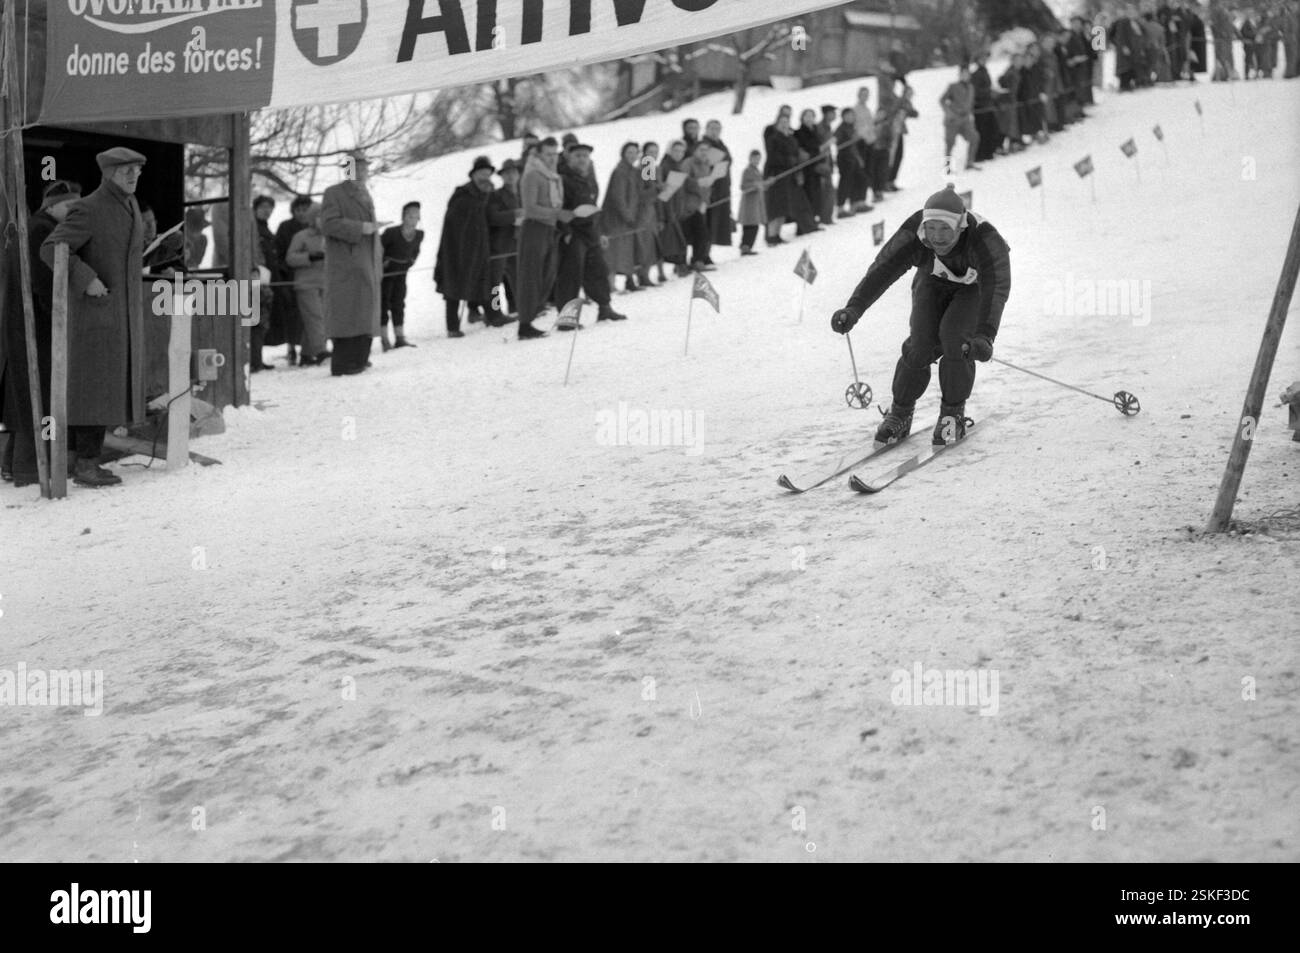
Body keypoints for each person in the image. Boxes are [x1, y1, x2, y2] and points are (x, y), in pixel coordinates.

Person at [830, 186, 1011, 448]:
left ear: (960, 226)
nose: (937, 237)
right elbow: (884, 268)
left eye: (945, 229)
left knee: (955, 340)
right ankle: (900, 413)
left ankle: (952, 413)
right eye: (932, 228)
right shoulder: (915, 233)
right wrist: (854, 308)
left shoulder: (985, 240)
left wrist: (984, 335)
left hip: (974, 290)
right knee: (920, 344)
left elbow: (996, 289)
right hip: (932, 282)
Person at [40, 147, 150, 487]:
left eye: (136, 170)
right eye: (125, 170)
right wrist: (86, 278)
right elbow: (51, 247)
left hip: (121, 312)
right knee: (93, 386)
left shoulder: (129, 204)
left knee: (102, 385)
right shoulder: (90, 207)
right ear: (108, 173)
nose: (133, 175)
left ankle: (78, 459)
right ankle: (86, 463)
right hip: (96, 314)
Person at [2, 181, 82, 488]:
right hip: (37, 325)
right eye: (68, 207)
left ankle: (13, 465)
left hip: (25, 325)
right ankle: (29, 469)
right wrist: (57, 315)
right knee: (41, 395)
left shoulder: (36, 227)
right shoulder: (42, 230)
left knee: (25, 395)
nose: (73, 212)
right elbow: (41, 281)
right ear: (51, 207)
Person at [319, 150, 382, 375]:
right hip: (346, 266)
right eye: (360, 167)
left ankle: (360, 359)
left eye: (365, 167)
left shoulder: (365, 193)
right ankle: (346, 363)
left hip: (366, 263)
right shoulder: (334, 193)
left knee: (364, 313)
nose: (364, 171)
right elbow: (328, 224)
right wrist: (359, 228)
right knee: (347, 315)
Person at [556, 142, 626, 325]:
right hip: (573, 233)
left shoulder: (590, 179)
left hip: (591, 231)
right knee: (571, 275)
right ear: (569, 158)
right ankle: (566, 318)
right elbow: (558, 209)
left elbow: (595, 208)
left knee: (599, 270)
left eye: (585, 156)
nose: (582, 159)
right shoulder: (562, 180)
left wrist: (600, 232)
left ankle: (605, 307)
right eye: (578, 156)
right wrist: (566, 232)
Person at [435, 157, 497, 339]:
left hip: (480, 247)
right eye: (482, 174)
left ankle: (492, 314)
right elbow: (455, 220)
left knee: (487, 282)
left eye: (488, 174)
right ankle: (452, 327)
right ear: (473, 175)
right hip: (457, 249)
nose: (485, 177)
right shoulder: (462, 195)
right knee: (453, 287)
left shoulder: (485, 194)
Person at [517, 136, 573, 339]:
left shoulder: (553, 176)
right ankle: (524, 323)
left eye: (554, 154)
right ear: (539, 154)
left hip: (549, 229)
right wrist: (556, 214)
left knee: (547, 274)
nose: (552, 158)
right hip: (535, 228)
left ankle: (532, 314)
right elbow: (530, 208)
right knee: (530, 276)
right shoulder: (533, 175)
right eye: (547, 154)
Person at [284, 204, 330, 366]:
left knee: (318, 318)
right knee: (315, 317)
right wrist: (309, 257)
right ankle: (321, 351)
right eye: (319, 216)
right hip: (306, 284)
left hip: (325, 282)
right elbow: (290, 258)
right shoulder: (301, 236)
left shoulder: (330, 237)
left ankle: (306, 353)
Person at [380, 202, 423, 347]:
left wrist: (410, 262)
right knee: (383, 303)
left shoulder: (419, 235)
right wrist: (383, 263)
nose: (413, 219)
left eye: (416, 216)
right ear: (403, 217)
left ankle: (399, 337)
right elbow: (378, 249)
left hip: (402, 272)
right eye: (410, 216)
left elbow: (416, 251)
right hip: (386, 274)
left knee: (399, 302)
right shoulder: (391, 233)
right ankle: (384, 339)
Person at [603, 142, 644, 292]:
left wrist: (648, 164)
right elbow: (618, 197)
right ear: (623, 154)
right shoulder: (620, 171)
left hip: (629, 215)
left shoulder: (634, 170)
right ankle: (610, 284)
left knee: (627, 250)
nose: (632, 156)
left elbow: (646, 186)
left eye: (635, 153)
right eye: (629, 153)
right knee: (614, 252)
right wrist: (628, 216)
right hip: (617, 218)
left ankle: (629, 279)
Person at [486, 158, 523, 322]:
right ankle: (494, 312)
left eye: (513, 172)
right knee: (494, 282)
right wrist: (514, 215)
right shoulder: (496, 195)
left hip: (517, 242)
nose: (511, 176)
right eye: (507, 173)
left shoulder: (523, 194)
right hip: (499, 244)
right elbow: (493, 217)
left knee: (516, 277)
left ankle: (516, 306)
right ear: (501, 176)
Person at [940, 65, 981, 172]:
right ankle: (948, 167)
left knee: (974, 137)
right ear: (959, 75)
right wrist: (949, 112)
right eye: (963, 74)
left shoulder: (971, 87)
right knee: (950, 143)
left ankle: (970, 162)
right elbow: (942, 100)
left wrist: (970, 115)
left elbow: (970, 103)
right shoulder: (953, 86)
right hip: (952, 121)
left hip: (966, 120)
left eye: (967, 74)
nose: (965, 76)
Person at [702, 119, 734, 248]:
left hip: (723, 185)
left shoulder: (721, 144)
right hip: (710, 186)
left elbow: (727, 161)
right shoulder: (704, 144)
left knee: (717, 221)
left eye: (717, 129)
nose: (715, 132)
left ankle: (706, 254)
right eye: (712, 128)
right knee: (708, 220)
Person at [794, 109, 827, 228]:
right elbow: (807, 150)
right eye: (806, 116)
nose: (809, 118)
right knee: (807, 195)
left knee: (815, 195)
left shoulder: (815, 131)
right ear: (802, 118)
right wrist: (819, 150)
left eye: (811, 116)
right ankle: (805, 224)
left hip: (816, 168)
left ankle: (813, 220)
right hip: (806, 169)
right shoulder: (799, 133)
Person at [834, 107, 869, 217]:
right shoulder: (841, 128)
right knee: (845, 182)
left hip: (853, 158)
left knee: (861, 178)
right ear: (843, 117)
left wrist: (859, 158)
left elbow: (854, 146)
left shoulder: (852, 128)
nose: (850, 117)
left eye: (852, 115)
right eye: (848, 115)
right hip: (844, 159)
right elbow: (836, 140)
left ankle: (857, 203)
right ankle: (840, 208)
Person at [970, 53, 1000, 162]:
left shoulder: (985, 71)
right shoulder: (975, 74)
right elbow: (975, 91)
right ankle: (980, 154)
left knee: (991, 129)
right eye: (981, 59)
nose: (983, 60)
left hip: (988, 105)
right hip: (980, 107)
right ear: (977, 61)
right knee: (982, 131)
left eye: (984, 58)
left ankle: (989, 152)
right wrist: (990, 92)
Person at [737, 149, 766, 256]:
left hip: (756, 203)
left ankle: (747, 246)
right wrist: (754, 185)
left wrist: (766, 184)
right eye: (754, 158)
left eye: (758, 159)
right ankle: (745, 246)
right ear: (750, 158)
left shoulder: (758, 171)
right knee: (750, 226)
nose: (756, 161)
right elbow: (743, 186)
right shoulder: (747, 171)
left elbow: (761, 184)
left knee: (754, 225)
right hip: (749, 204)